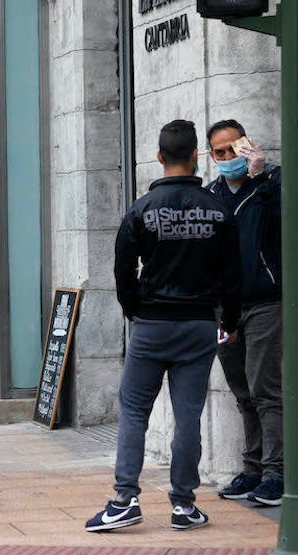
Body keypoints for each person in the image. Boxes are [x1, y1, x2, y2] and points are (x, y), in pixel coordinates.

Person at [85, 120, 241, 532]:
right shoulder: (219, 211)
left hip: (152, 322)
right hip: (197, 325)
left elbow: (122, 268)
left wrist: (134, 308)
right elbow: (232, 274)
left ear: (159, 157)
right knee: (188, 414)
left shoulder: (141, 210)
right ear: (195, 156)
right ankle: (184, 505)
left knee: (135, 409)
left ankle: (124, 499)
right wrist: (230, 318)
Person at [204, 120, 283, 507]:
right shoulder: (210, 196)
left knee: (266, 389)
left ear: (247, 145)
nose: (227, 157)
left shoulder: (272, 181)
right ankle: (252, 468)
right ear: (210, 156)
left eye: (233, 148)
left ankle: (276, 473)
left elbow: (285, 221)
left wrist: (260, 177)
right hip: (225, 309)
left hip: (265, 302)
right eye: (219, 152)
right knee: (243, 392)